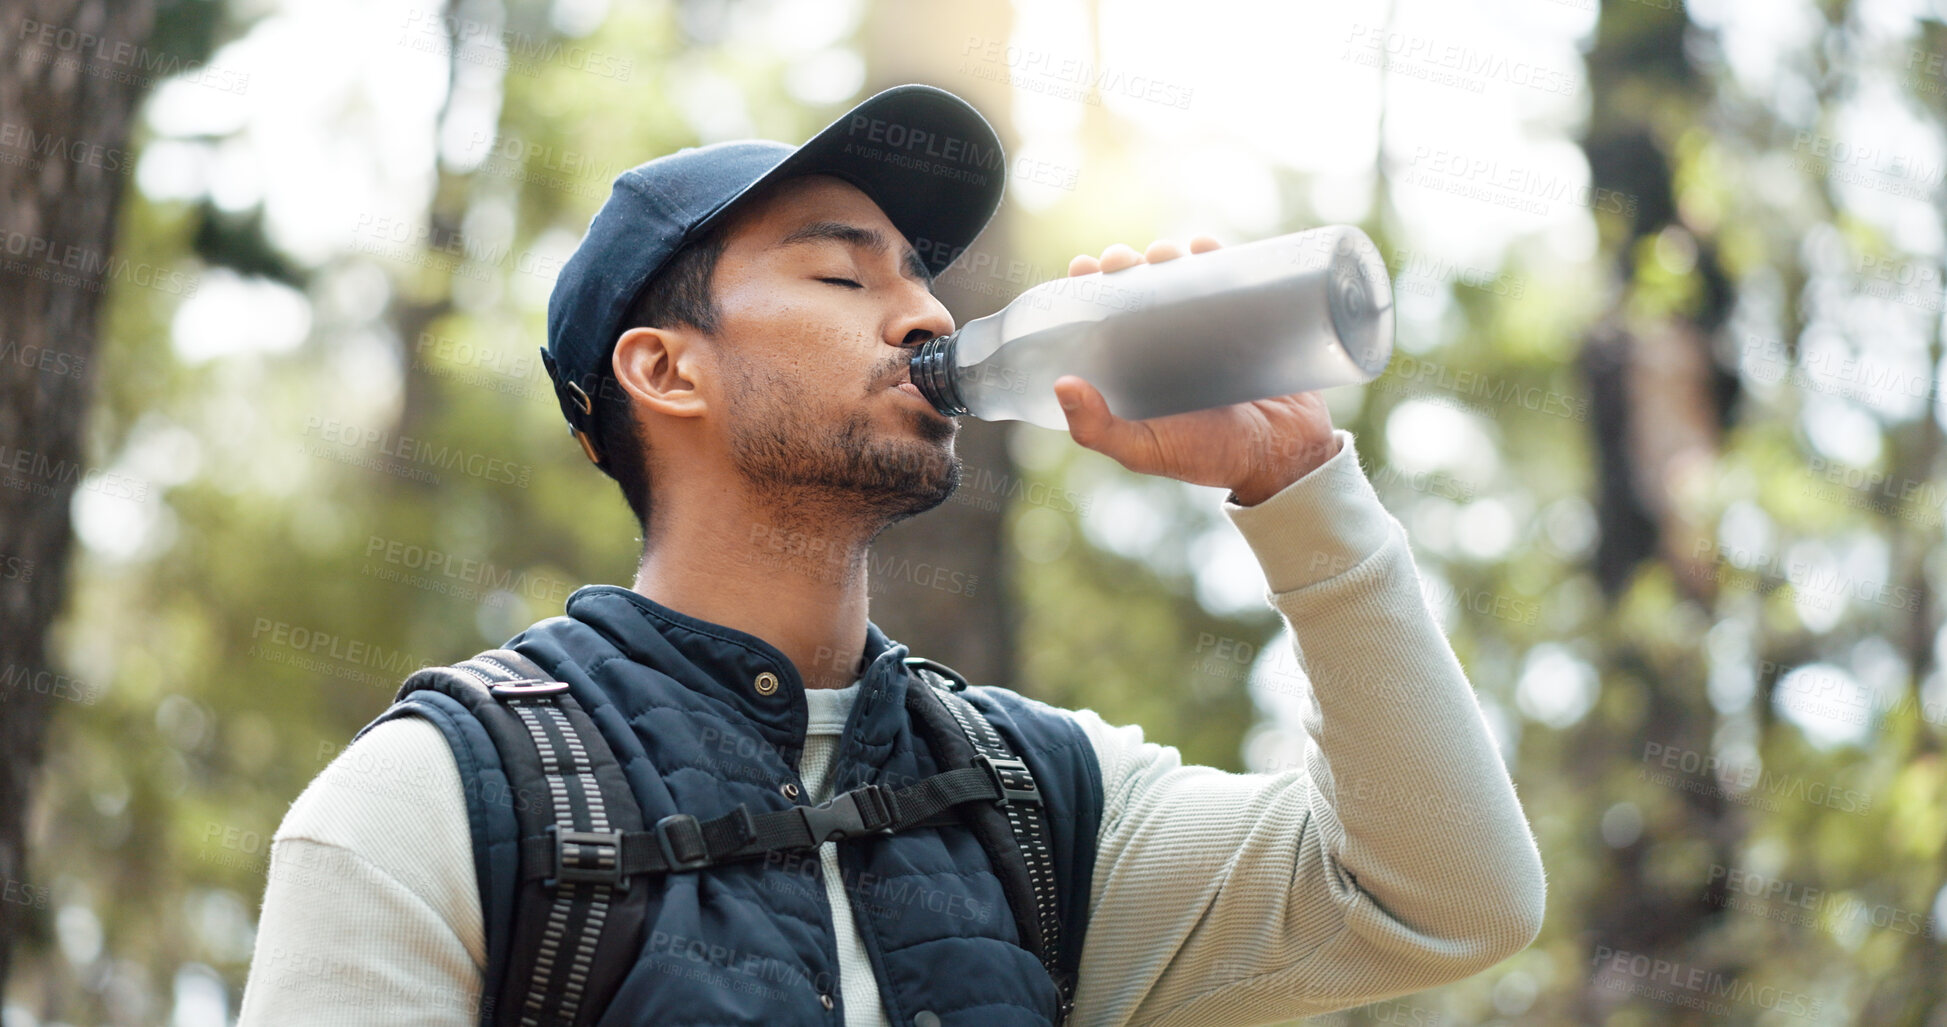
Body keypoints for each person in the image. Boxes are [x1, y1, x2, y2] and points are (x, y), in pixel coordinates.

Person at [238, 83, 1545, 1027]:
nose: (927, 310)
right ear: (665, 369)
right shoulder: (438, 804)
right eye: (841, 278)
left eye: (921, 275)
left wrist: (1294, 484)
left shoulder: (1043, 801)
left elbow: (1445, 901)